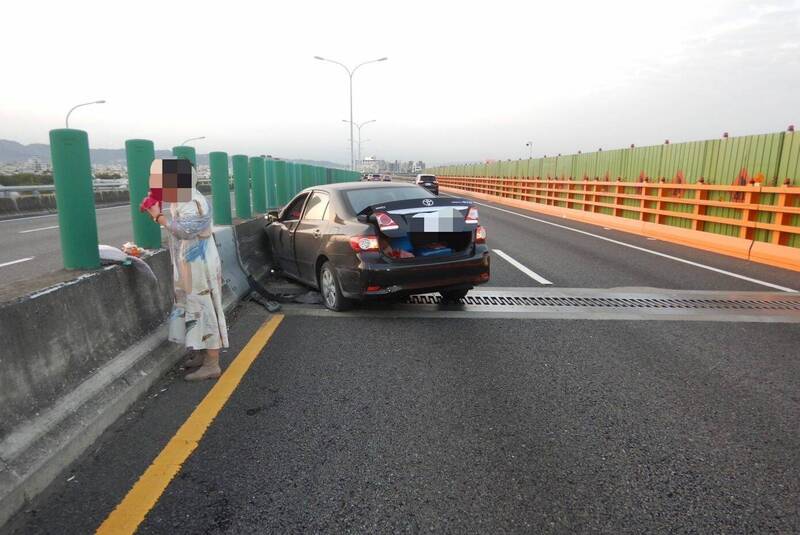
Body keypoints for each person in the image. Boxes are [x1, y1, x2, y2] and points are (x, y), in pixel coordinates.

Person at [144, 158, 229, 381]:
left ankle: (212, 363)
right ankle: (202, 354)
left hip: (199, 263)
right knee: (193, 306)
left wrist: (158, 216)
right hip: (190, 261)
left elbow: (185, 231)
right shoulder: (182, 198)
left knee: (204, 306)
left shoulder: (192, 199)